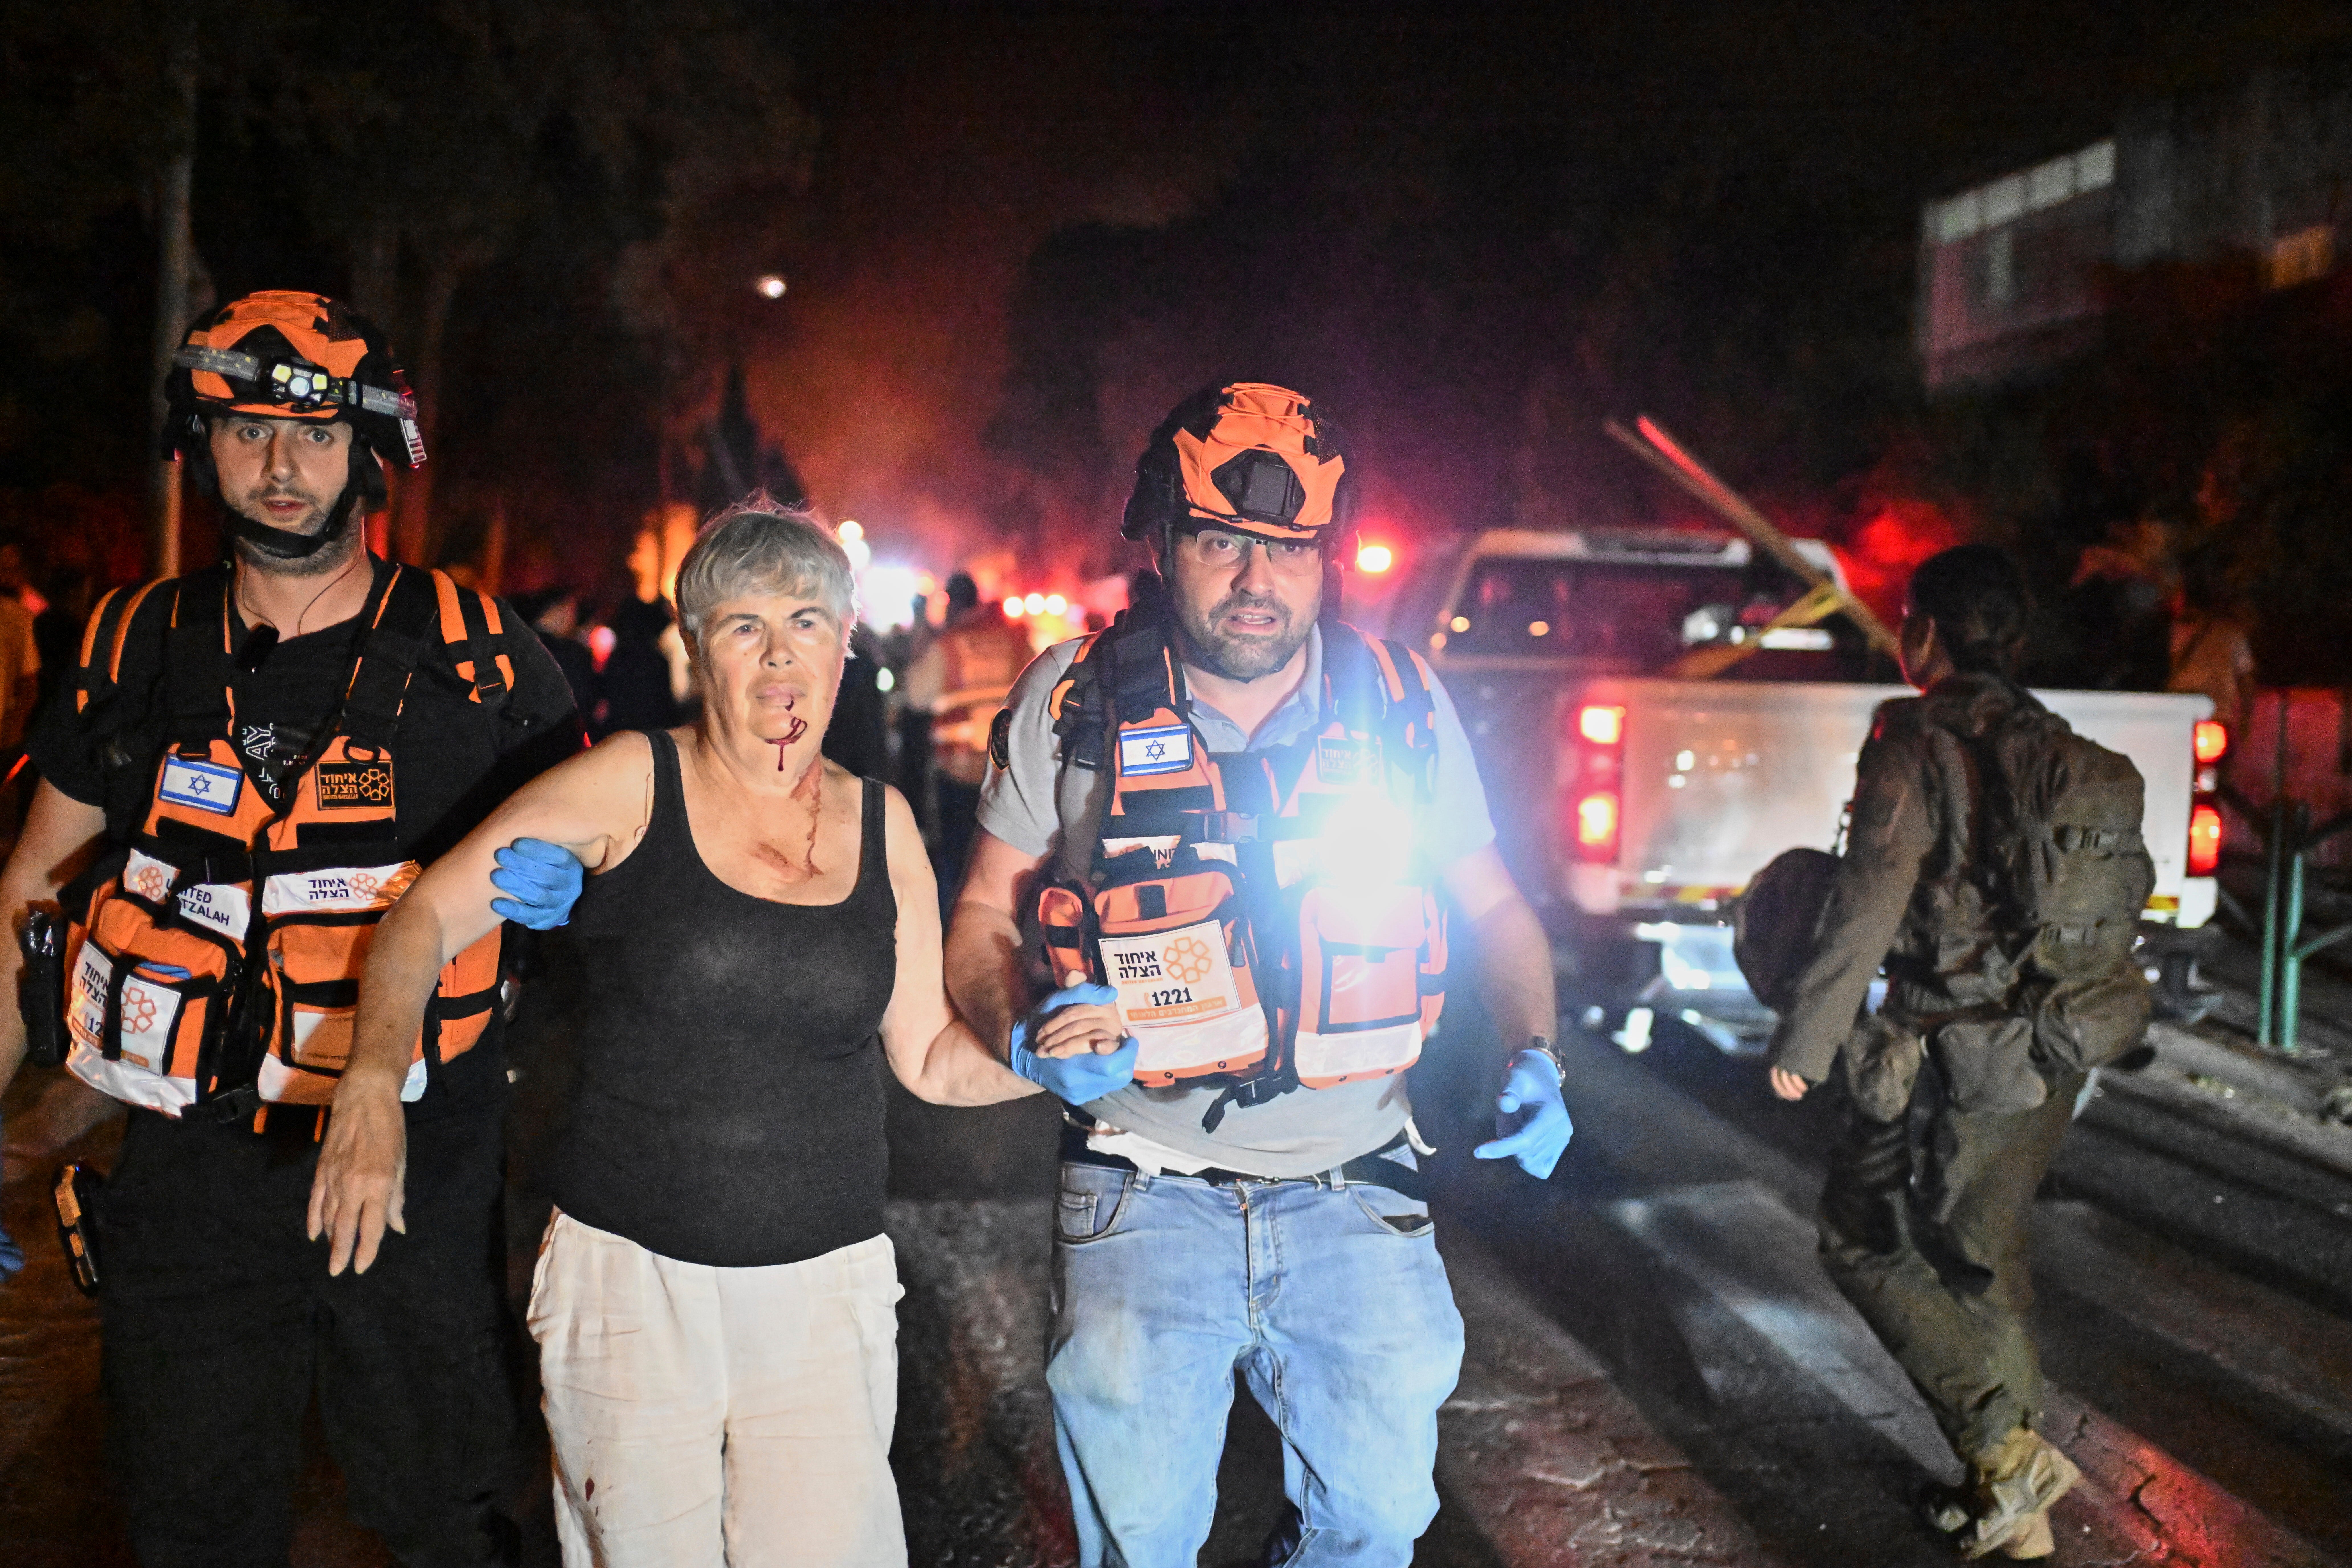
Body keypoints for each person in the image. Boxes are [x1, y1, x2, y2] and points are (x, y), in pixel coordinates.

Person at [309, 499, 1119, 1568]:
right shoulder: (631, 781)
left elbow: (926, 1058)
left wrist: (1038, 1058)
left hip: (824, 1299)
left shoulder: (885, 827)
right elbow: (424, 915)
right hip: (631, 1292)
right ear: (697, 650)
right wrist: (371, 1082)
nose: (779, 657)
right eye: (742, 626)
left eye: (806, 624)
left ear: (843, 653)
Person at [944, 382, 1574, 1567]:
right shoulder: (1072, 700)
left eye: (1290, 549)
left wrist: (1535, 1049)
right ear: (1161, 543)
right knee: (1140, 1543)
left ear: (1327, 559)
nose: (1256, 579)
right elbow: (982, 912)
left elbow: (1495, 907)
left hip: (1357, 1192)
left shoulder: (1400, 704)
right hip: (1140, 1192)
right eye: (1222, 540)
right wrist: (1019, 1025)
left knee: (1378, 1526)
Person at [0, 289, 583, 1566]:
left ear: (368, 451)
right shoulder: (129, 646)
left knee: (452, 1514)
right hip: (188, 1174)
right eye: (247, 429)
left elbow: (616, 861)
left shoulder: (481, 661)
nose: (280, 466)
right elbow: (28, 887)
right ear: (197, 442)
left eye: (315, 435)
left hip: (418, 1157)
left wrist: (573, 888)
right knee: (188, 1521)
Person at [1765, 544, 2154, 1562]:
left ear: (1923, 634)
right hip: (2052, 1049)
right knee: (1982, 1258)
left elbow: (1869, 894)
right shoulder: (2057, 743)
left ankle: (2000, 1450)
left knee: (1858, 1236)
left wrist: (1805, 1041)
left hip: (1945, 1050)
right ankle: (2008, 1503)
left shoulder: (1911, 733)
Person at [902, 571, 1031, 891]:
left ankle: (956, 932)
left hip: (957, 773)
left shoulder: (948, 645)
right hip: (1008, 772)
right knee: (1008, 863)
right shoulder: (1014, 641)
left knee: (956, 864)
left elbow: (915, 696)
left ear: (952, 603)